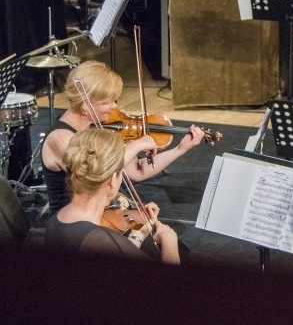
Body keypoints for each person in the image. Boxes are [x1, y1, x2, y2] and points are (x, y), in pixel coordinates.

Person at [41, 60, 205, 215]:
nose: (114, 106)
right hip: (72, 230)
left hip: (97, 216)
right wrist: (134, 146)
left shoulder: (98, 128)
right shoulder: (61, 138)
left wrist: (180, 149)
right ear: (85, 106)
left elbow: (138, 172)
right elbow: (97, 180)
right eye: (108, 101)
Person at [45, 128, 181, 264]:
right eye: (121, 172)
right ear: (112, 179)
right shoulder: (98, 239)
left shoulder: (58, 219)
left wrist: (139, 234)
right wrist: (169, 240)